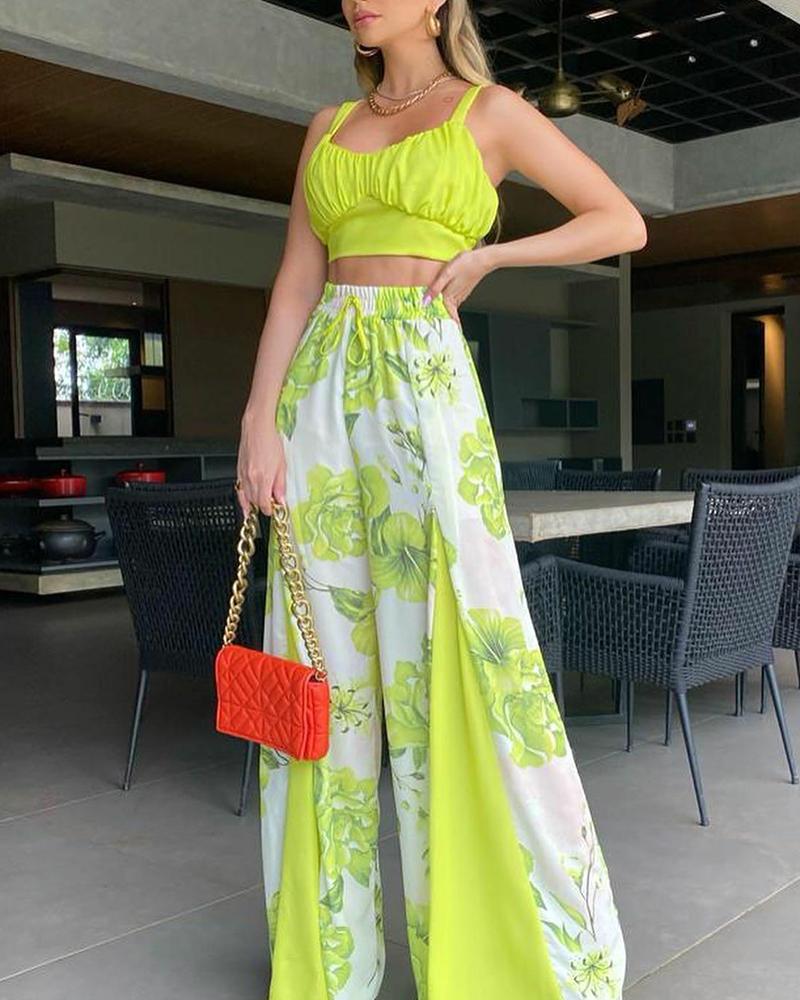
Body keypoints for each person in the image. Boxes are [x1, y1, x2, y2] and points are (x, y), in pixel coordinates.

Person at [235, 2, 646, 998]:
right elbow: (295, 281)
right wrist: (257, 419)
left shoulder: (489, 111)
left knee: (457, 656)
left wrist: (496, 254)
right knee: (320, 674)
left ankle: (492, 951)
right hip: (318, 396)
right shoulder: (327, 127)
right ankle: (328, 964)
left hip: (425, 391)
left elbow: (620, 220)